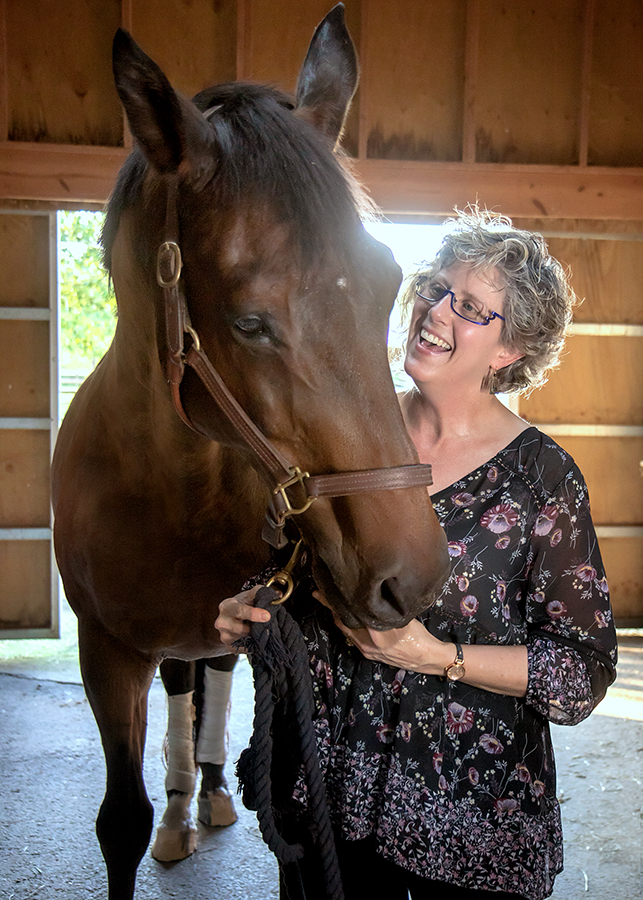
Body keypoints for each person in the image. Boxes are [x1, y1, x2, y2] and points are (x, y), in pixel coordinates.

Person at [216, 209, 617, 899]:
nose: (435, 310)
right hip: (326, 787)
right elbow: (295, 564)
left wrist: (436, 657)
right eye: (435, 288)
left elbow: (579, 670)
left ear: (508, 350)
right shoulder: (344, 435)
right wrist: (255, 603)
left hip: (467, 805)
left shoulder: (542, 478)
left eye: (468, 306)